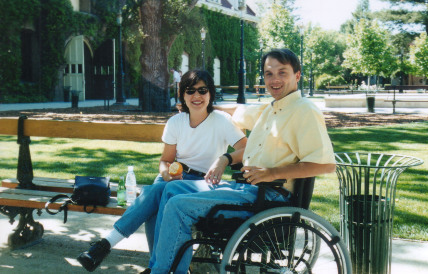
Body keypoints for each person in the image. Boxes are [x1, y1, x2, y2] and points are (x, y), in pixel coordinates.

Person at [144, 48, 336, 273]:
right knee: (171, 189)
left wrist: (271, 173)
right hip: (247, 189)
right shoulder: (272, 108)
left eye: (282, 73)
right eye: (268, 74)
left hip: (268, 197)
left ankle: (161, 271)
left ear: (297, 75)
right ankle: (160, 267)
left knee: (177, 205)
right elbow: (236, 111)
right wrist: (194, 106)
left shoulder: (304, 110)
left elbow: (325, 164)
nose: (274, 80)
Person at [77, 70, 247, 272]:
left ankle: (106, 245)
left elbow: (246, 148)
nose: (196, 96)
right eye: (190, 91)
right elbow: (165, 161)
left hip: (202, 183)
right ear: (182, 95)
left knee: (154, 193)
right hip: (176, 176)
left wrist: (224, 159)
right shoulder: (176, 122)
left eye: (202, 90)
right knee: (156, 196)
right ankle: (158, 267)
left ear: (210, 93)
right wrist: (166, 174)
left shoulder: (220, 120)